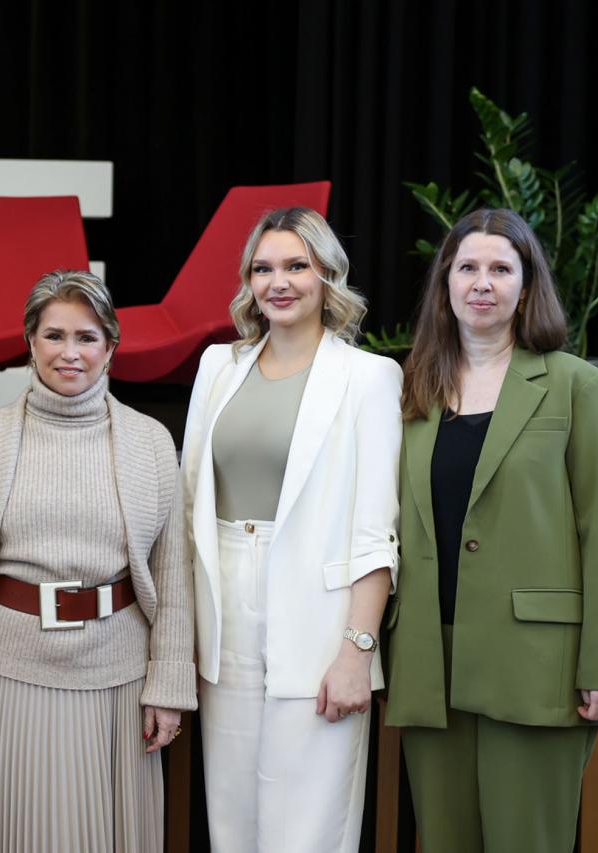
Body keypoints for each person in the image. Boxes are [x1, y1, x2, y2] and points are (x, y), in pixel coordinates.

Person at [384, 208, 598, 852]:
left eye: (501, 268)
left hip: (536, 665)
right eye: (467, 267)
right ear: (445, 282)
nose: (482, 282)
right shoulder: (410, 385)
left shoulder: (577, 385)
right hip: (428, 658)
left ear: (527, 286)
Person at [0, 270, 195, 853]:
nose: (69, 353)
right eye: (54, 336)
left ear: (111, 347)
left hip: (119, 683)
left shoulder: (151, 442)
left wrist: (169, 685)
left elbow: (174, 576)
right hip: (1, 677)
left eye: (87, 337)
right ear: (30, 343)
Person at [180, 207, 401, 852]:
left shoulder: (369, 377)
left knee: (306, 831)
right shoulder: (218, 366)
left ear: (328, 275)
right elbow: (189, 497)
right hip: (224, 620)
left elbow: (375, 533)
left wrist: (356, 651)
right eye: (263, 267)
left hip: (321, 629)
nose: (279, 282)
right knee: (232, 823)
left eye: (296, 266)